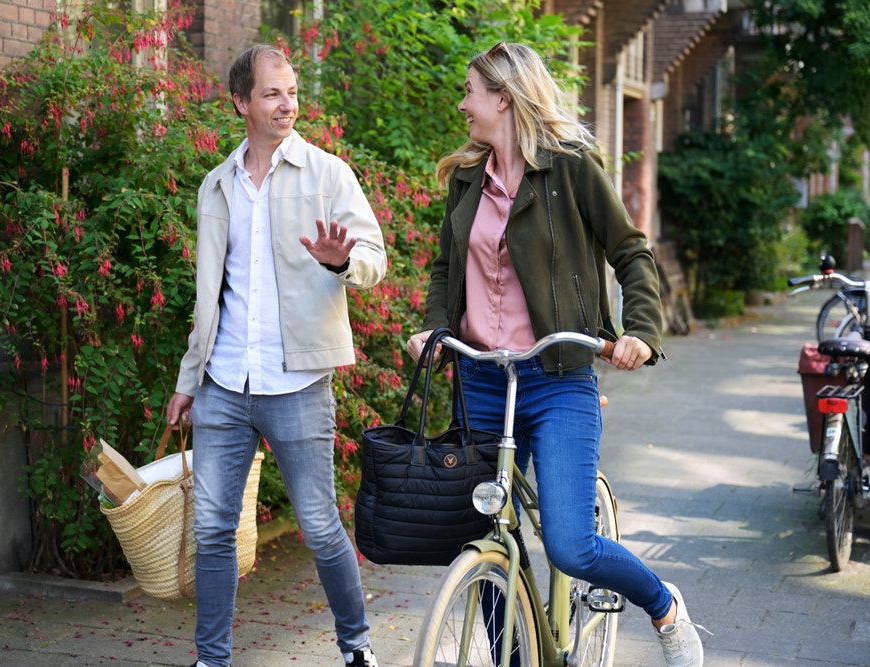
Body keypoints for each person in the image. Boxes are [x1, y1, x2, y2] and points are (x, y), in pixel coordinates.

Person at [406, 42, 705, 666]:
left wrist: (641, 333)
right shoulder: (468, 178)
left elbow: (631, 252)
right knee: (482, 532)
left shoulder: (570, 167)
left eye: (471, 92)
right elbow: (445, 270)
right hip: (481, 376)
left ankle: (664, 607)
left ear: (504, 98)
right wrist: (434, 329)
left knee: (571, 546)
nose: (462, 104)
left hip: (557, 377)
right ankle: (514, 656)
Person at [166, 44, 385, 667]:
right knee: (212, 530)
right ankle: (211, 659)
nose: (287, 103)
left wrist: (343, 260)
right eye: (272, 93)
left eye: (291, 91)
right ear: (241, 102)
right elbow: (209, 296)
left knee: (318, 525)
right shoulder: (216, 186)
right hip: (223, 384)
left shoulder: (327, 174)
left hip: (298, 382)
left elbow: (374, 258)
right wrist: (189, 380)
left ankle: (357, 647)